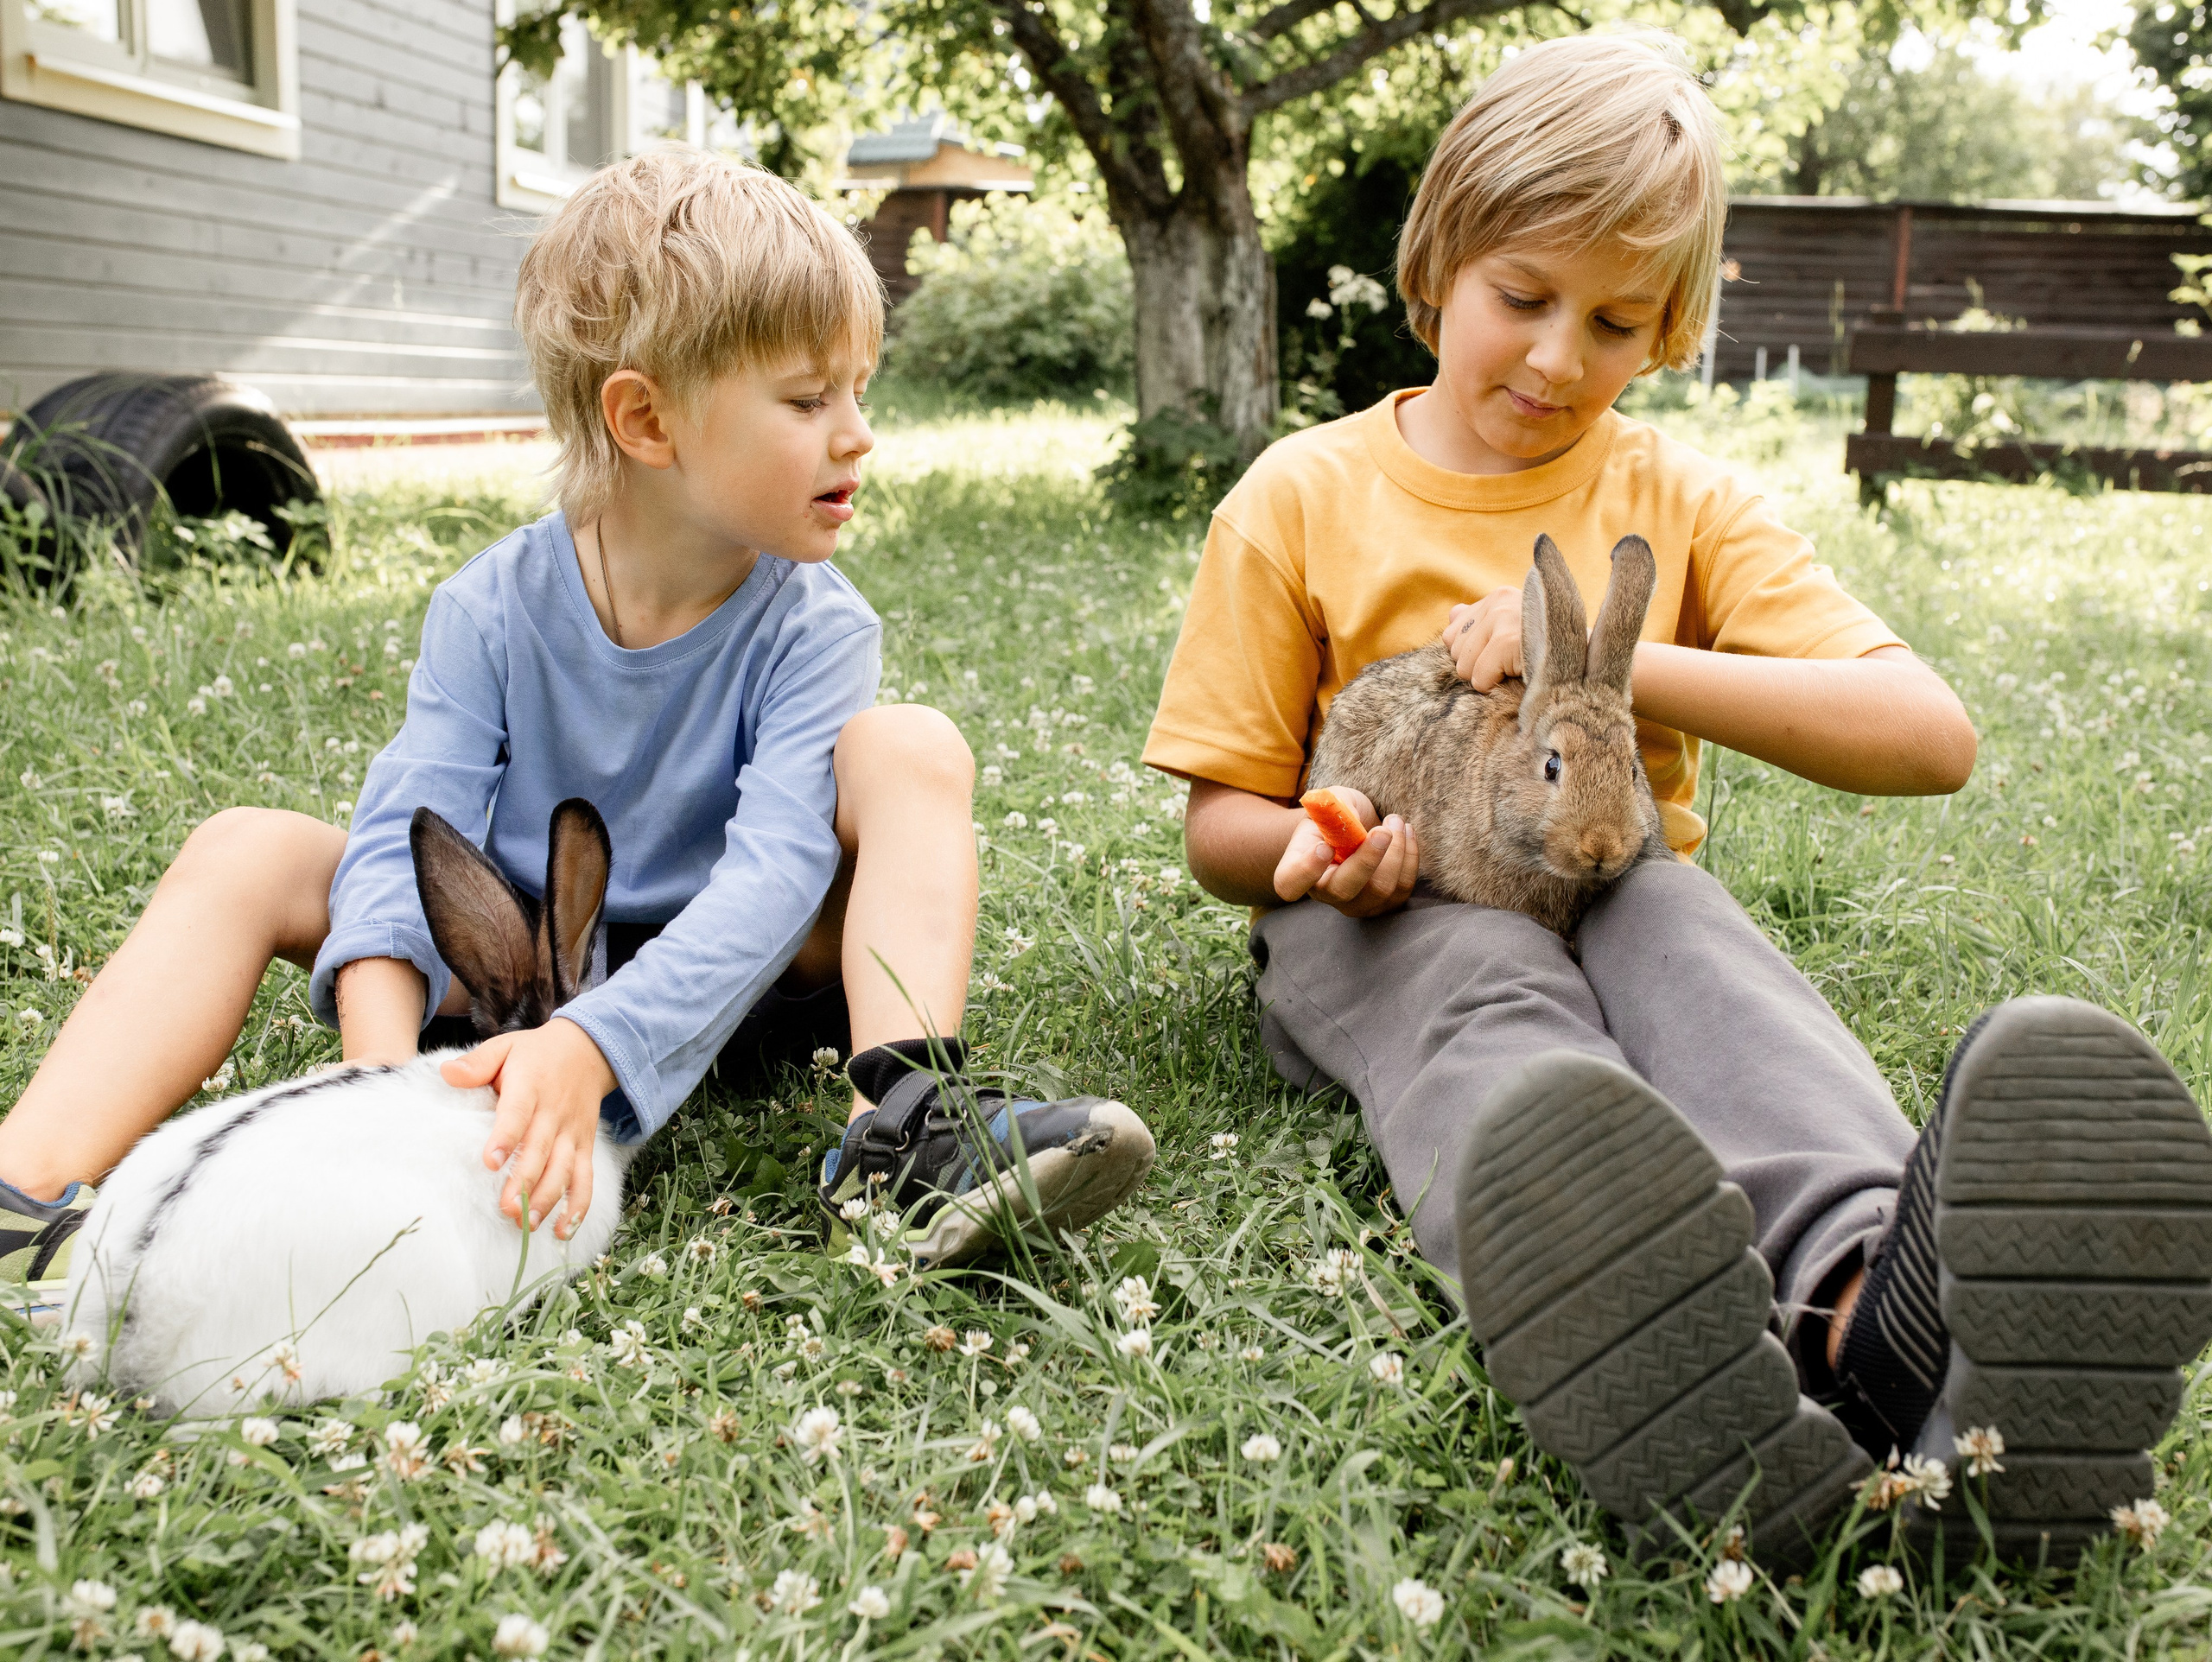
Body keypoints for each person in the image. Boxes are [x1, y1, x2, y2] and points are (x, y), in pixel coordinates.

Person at [1145, 32, 2212, 1564]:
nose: (1559, 358)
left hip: (1611, 869)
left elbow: (1928, 735)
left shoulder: (1684, 500)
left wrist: (1623, 684)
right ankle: (1669, 1340)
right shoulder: (1297, 500)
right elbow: (1219, 829)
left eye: (1619, 322)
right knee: (1483, 996)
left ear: (1676, 329)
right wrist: (1329, 857)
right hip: (1390, 920)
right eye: (1522, 298)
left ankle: (1876, 1320)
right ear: (1439, 261)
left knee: (1703, 956)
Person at [0, 149, 1154, 1318]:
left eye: (861, 392)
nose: (857, 436)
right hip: (517, 967)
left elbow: (775, 877)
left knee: (910, 745)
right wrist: (381, 1082)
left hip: (742, 986)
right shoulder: (489, 607)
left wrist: (599, 1045)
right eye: (809, 401)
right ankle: (20, 1193)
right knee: (251, 846)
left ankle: (901, 1136)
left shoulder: (817, 627)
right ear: (646, 418)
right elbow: (416, 829)